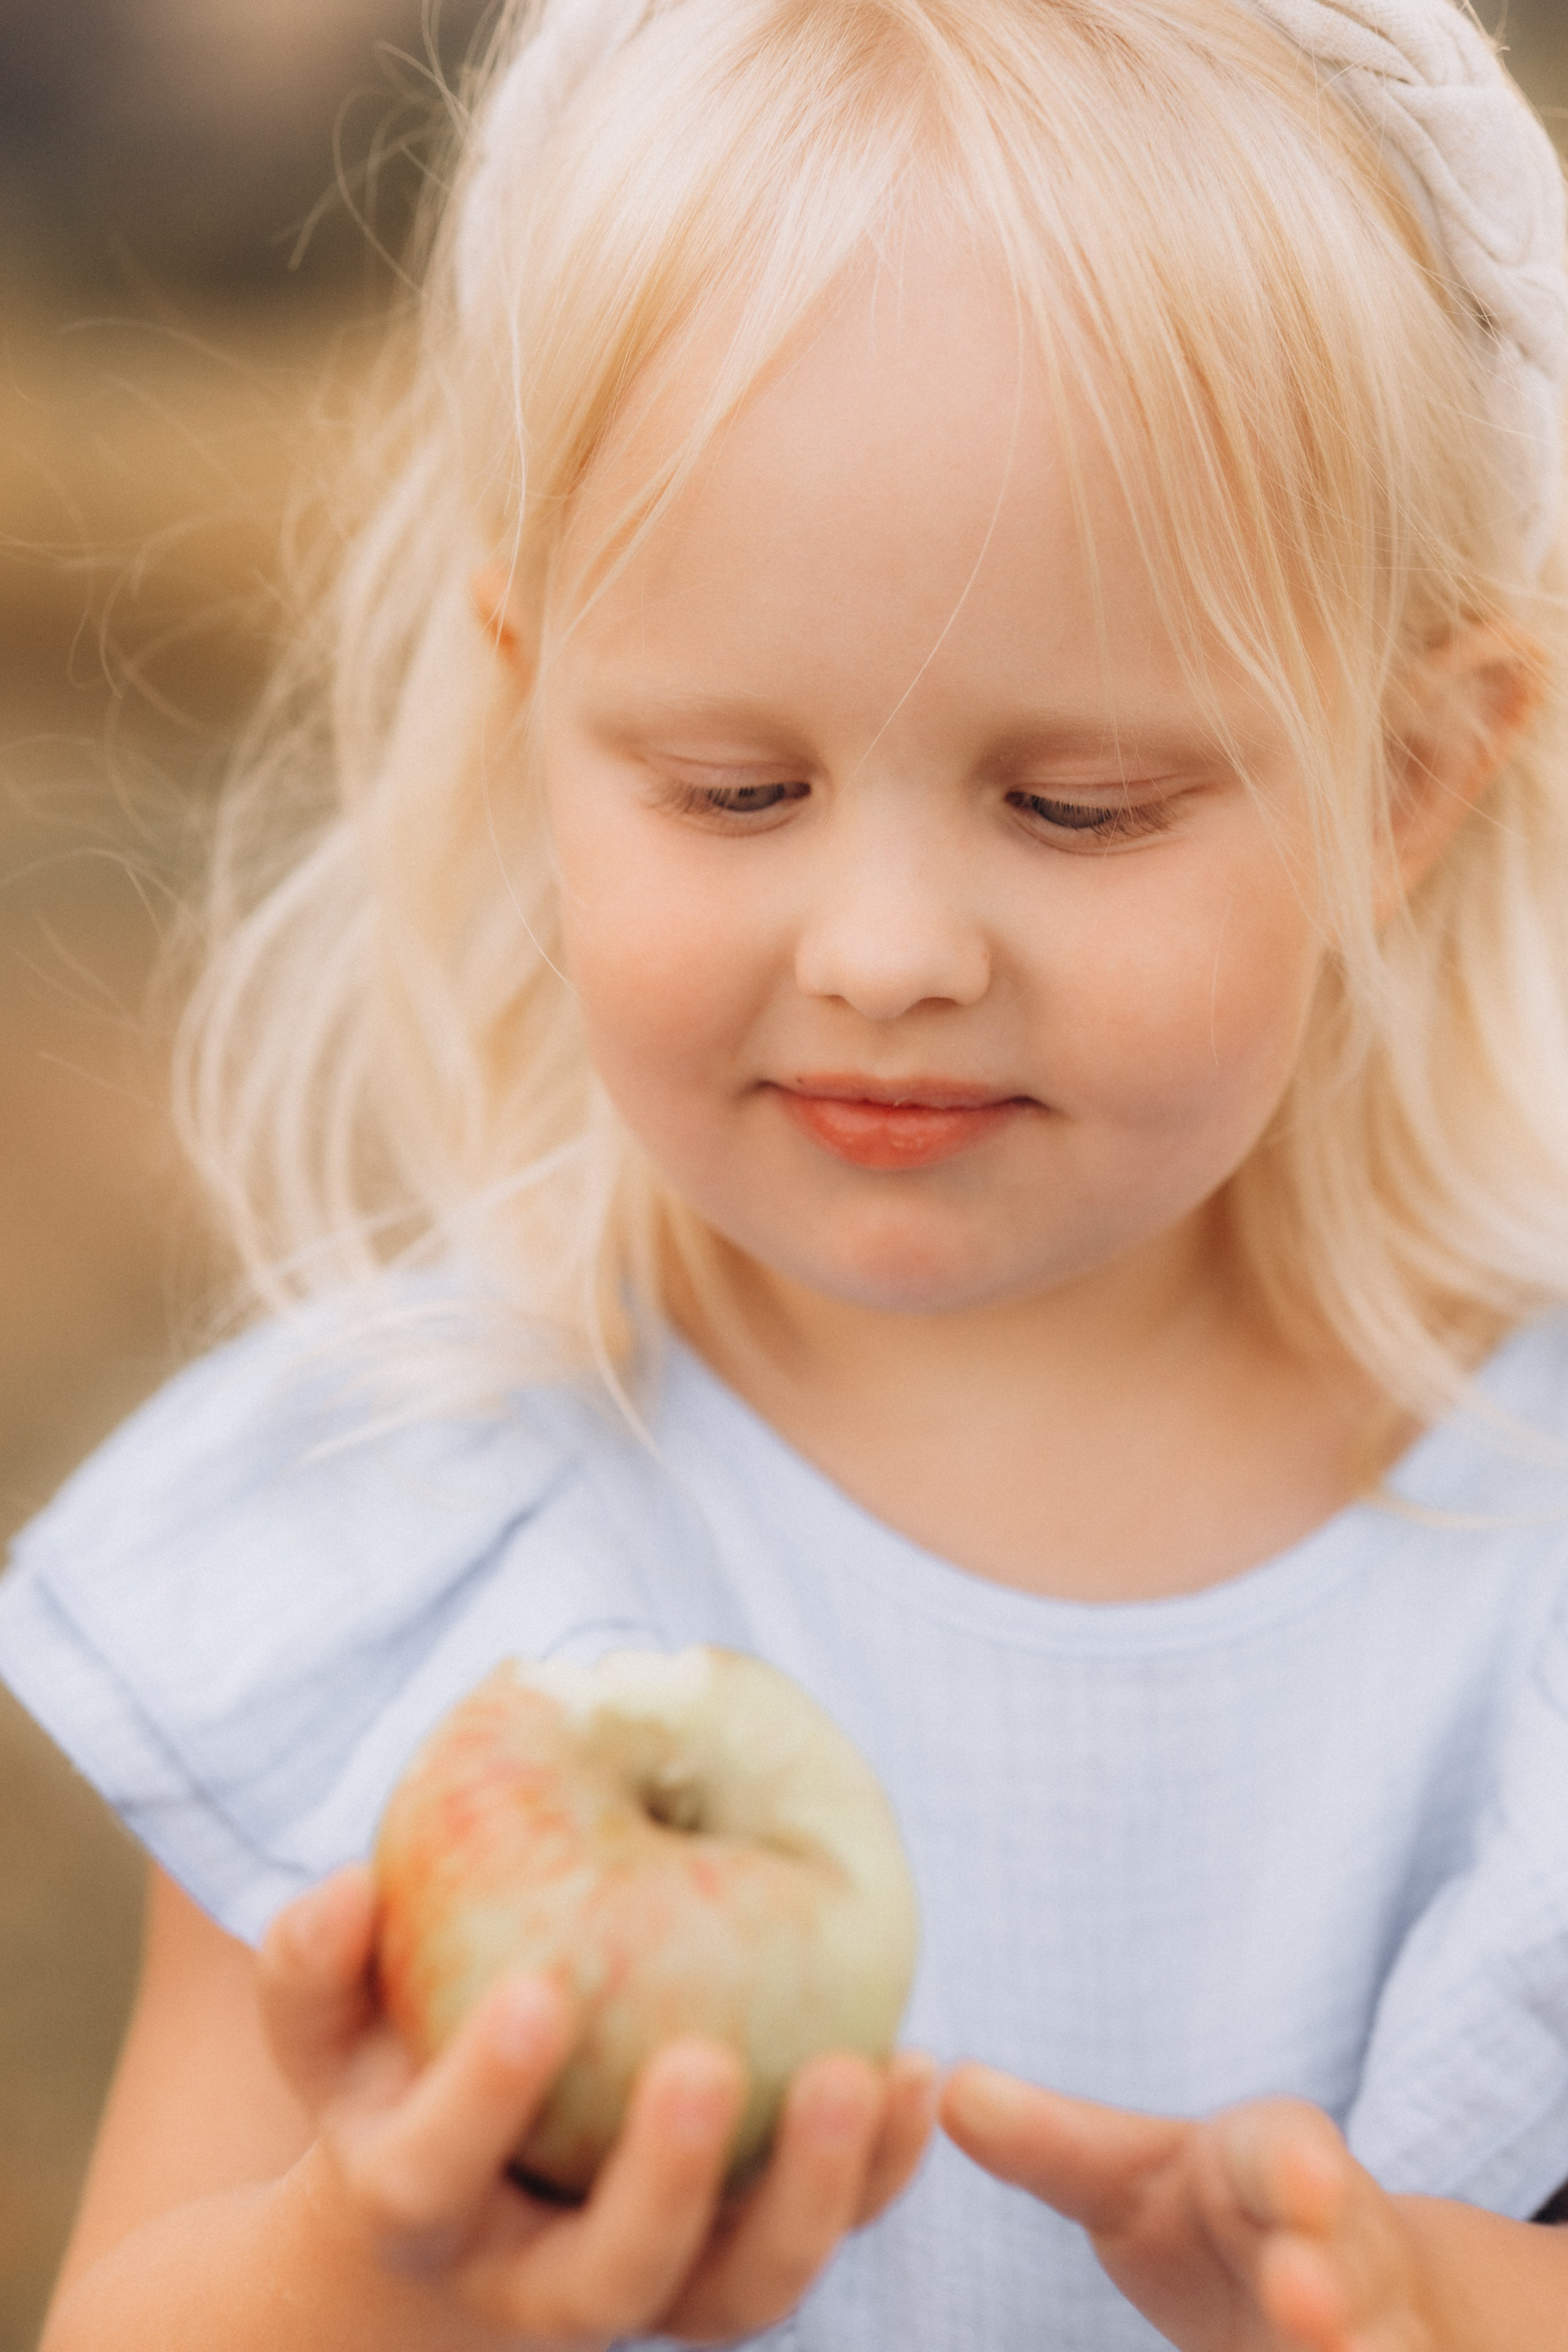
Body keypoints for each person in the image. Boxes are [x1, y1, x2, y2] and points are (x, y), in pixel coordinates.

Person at [6, 0, 1568, 2341]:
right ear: (542, 715)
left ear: (1416, 775)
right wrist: (374, 2271)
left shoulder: (1519, 1586)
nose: (889, 953)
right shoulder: (415, 1544)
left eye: (1081, 808)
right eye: (736, 791)